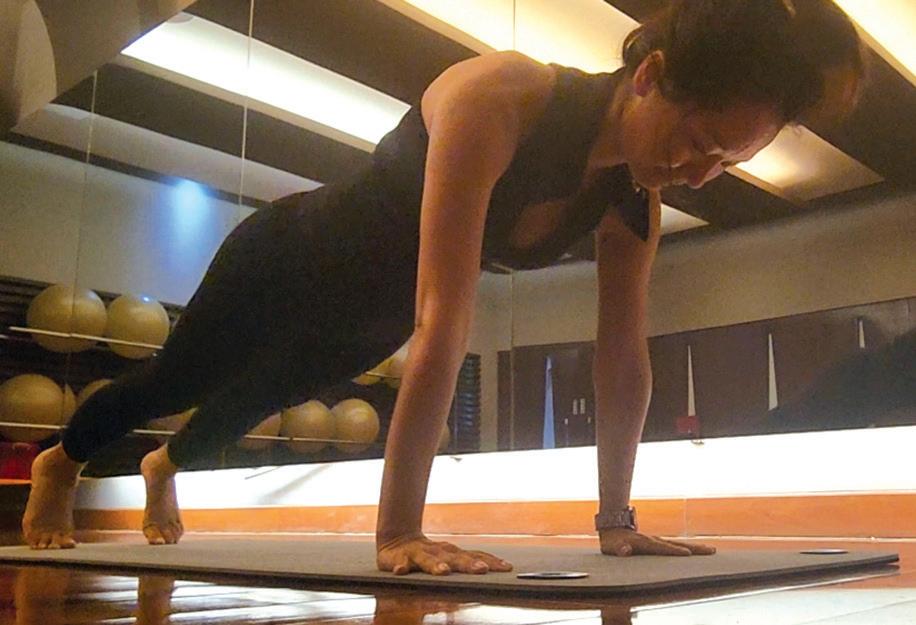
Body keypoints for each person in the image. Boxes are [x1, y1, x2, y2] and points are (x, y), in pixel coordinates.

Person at [22, 0, 865, 575]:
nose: (700, 174)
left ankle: (166, 465)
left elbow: (622, 360)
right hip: (285, 263)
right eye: (700, 141)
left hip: (373, 318)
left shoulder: (630, 202)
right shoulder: (501, 95)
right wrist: (400, 531)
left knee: (250, 406)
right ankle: (62, 461)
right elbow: (445, 315)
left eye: (726, 162)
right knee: (174, 382)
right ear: (650, 75)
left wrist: (617, 521)